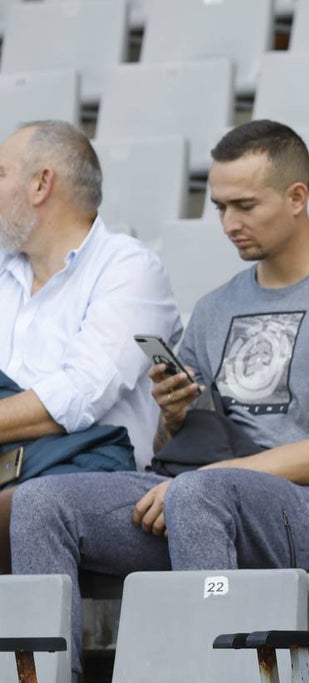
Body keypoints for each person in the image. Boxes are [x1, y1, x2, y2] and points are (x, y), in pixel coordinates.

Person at [10, 119, 309, 683]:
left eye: (246, 205)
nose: (229, 224)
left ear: (297, 198)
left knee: (201, 492)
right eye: (220, 206)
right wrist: (171, 415)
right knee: (41, 503)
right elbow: (183, 443)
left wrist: (208, 476)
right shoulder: (219, 304)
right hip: (201, 493)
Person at [0, 120, 181, 573]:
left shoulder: (129, 267)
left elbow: (81, 393)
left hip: (97, 482)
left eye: (1, 175)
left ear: (42, 183)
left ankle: (37, 648)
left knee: (26, 507)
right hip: (18, 474)